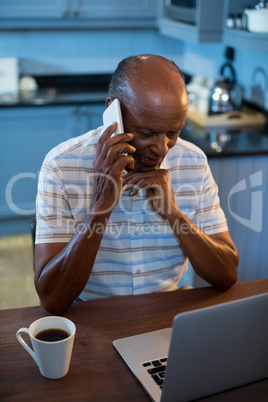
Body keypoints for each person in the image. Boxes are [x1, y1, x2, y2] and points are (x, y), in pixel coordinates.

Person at [34, 54, 239, 315]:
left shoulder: (194, 162)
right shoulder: (61, 166)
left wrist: (173, 214)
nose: (161, 149)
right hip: (90, 316)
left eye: (173, 133)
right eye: (146, 133)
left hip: (166, 315)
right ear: (113, 112)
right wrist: (101, 206)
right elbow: (52, 299)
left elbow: (227, 275)